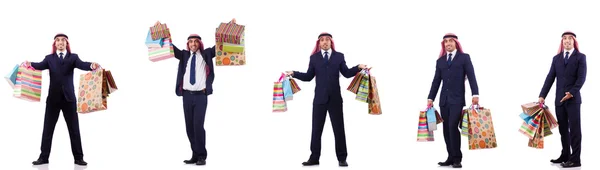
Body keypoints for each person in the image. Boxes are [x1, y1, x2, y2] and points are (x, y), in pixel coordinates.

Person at [286, 32, 367, 167]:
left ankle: (342, 158)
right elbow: (308, 76)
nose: (324, 42)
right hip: (319, 100)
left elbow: (346, 73)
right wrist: (294, 73)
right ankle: (314, 158)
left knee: (339, 129)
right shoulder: (314, 58)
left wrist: (358, 67)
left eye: (327, 40)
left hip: (335, 99)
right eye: (322, 40)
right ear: (319, 43)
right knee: (316, 130)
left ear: (331, 42)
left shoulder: (339, 56)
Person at [25, 33, 100, 166]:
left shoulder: (73, 57)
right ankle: (43, 158)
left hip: (69, 99)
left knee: (74, 130)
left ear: (66, 43)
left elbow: (82, 64)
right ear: (55, 44)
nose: (60, 42)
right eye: (58, 41)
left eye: (63, 41)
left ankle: (78, 158)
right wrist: (29, 63)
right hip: (53, 100)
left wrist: (91, 65)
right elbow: (39, 65)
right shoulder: (49, 58)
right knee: (47, 129)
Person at [169, 18, 234, 165]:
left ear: (199, 43)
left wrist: (229, 28)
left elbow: (221, 45)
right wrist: (160, 32)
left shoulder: (207, 54)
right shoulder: (184, 55)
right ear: (188, 44)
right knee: (189, 127)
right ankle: (194, 154)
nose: (193, 44)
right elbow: (169, 48)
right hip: (186, 96)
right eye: (190, 42)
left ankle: (202, 156)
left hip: (200, 96)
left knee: (198, 126)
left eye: (195, 42)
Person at [427, 33, 479, 168]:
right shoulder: (440, 61)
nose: (448, 43)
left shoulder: (464, 58)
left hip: (457, 99)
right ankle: (450, 157)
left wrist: (475, 94)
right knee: (446, 129)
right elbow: (436, 81)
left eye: (450, 41)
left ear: (456, 43)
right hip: (444, 100)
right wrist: (430, 97)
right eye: (445, 42)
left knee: (452, 126)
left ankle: (457, 158)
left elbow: (472, 76)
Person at [539, 31, 586, 168]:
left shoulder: (580, 57)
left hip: (573, 100)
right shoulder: (556, 59)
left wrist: (572, 92)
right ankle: (565, 155)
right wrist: (542, 95)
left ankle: (575, 159)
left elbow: (581, 78)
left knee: (575, 130)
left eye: (569, 39)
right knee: (563, 129)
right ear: (562, 42)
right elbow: (550, 78)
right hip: (559, 100)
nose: (567, 41)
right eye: (564, 39)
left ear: (574, 41)